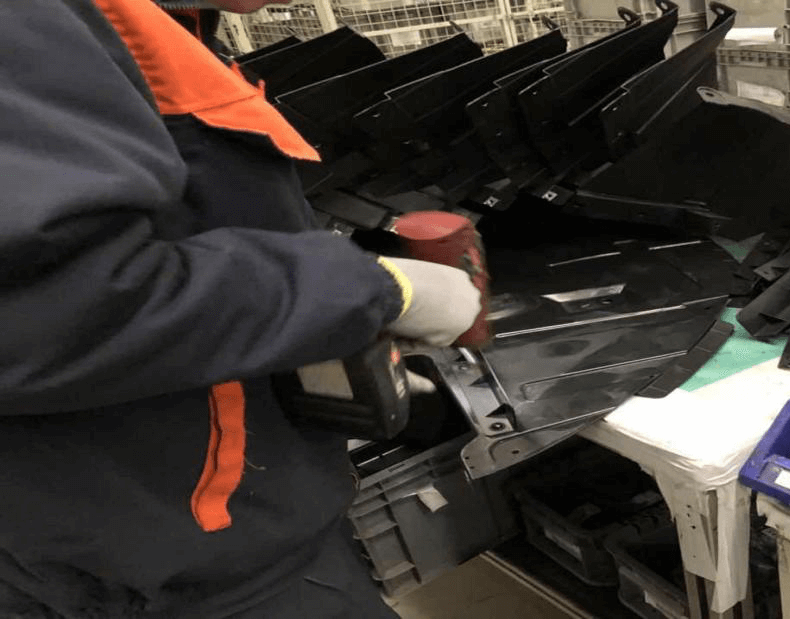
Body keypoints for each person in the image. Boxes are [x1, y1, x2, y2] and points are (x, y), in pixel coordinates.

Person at [0, 0, 482, 616]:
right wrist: (372, 289)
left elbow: (182, 231)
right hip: (145, 570)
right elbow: (52, 309)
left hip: (214, 522)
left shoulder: (150, 20)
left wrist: (324, 340)